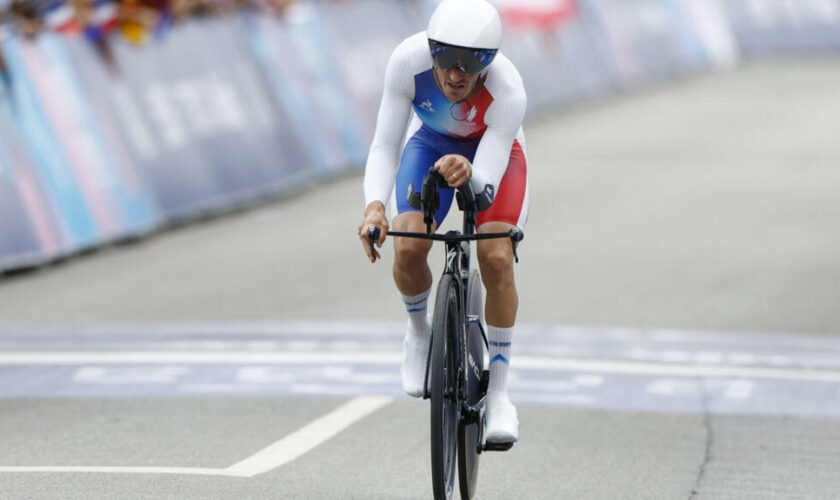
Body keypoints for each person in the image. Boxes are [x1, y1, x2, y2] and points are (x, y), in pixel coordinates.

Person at [357, 0, 528, 444]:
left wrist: (472, 175)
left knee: (495, 258)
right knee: (409, 245)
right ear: (430, 50)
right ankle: (418, 333)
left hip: (495, 157)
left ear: (489, 63)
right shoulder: (406, 62)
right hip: (431, 144)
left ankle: (501, 396)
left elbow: (486, 183)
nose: (456, 74)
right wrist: (376, 204)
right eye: (446, 59)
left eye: (471, 64)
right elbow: (383, 146)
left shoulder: (508, 89)